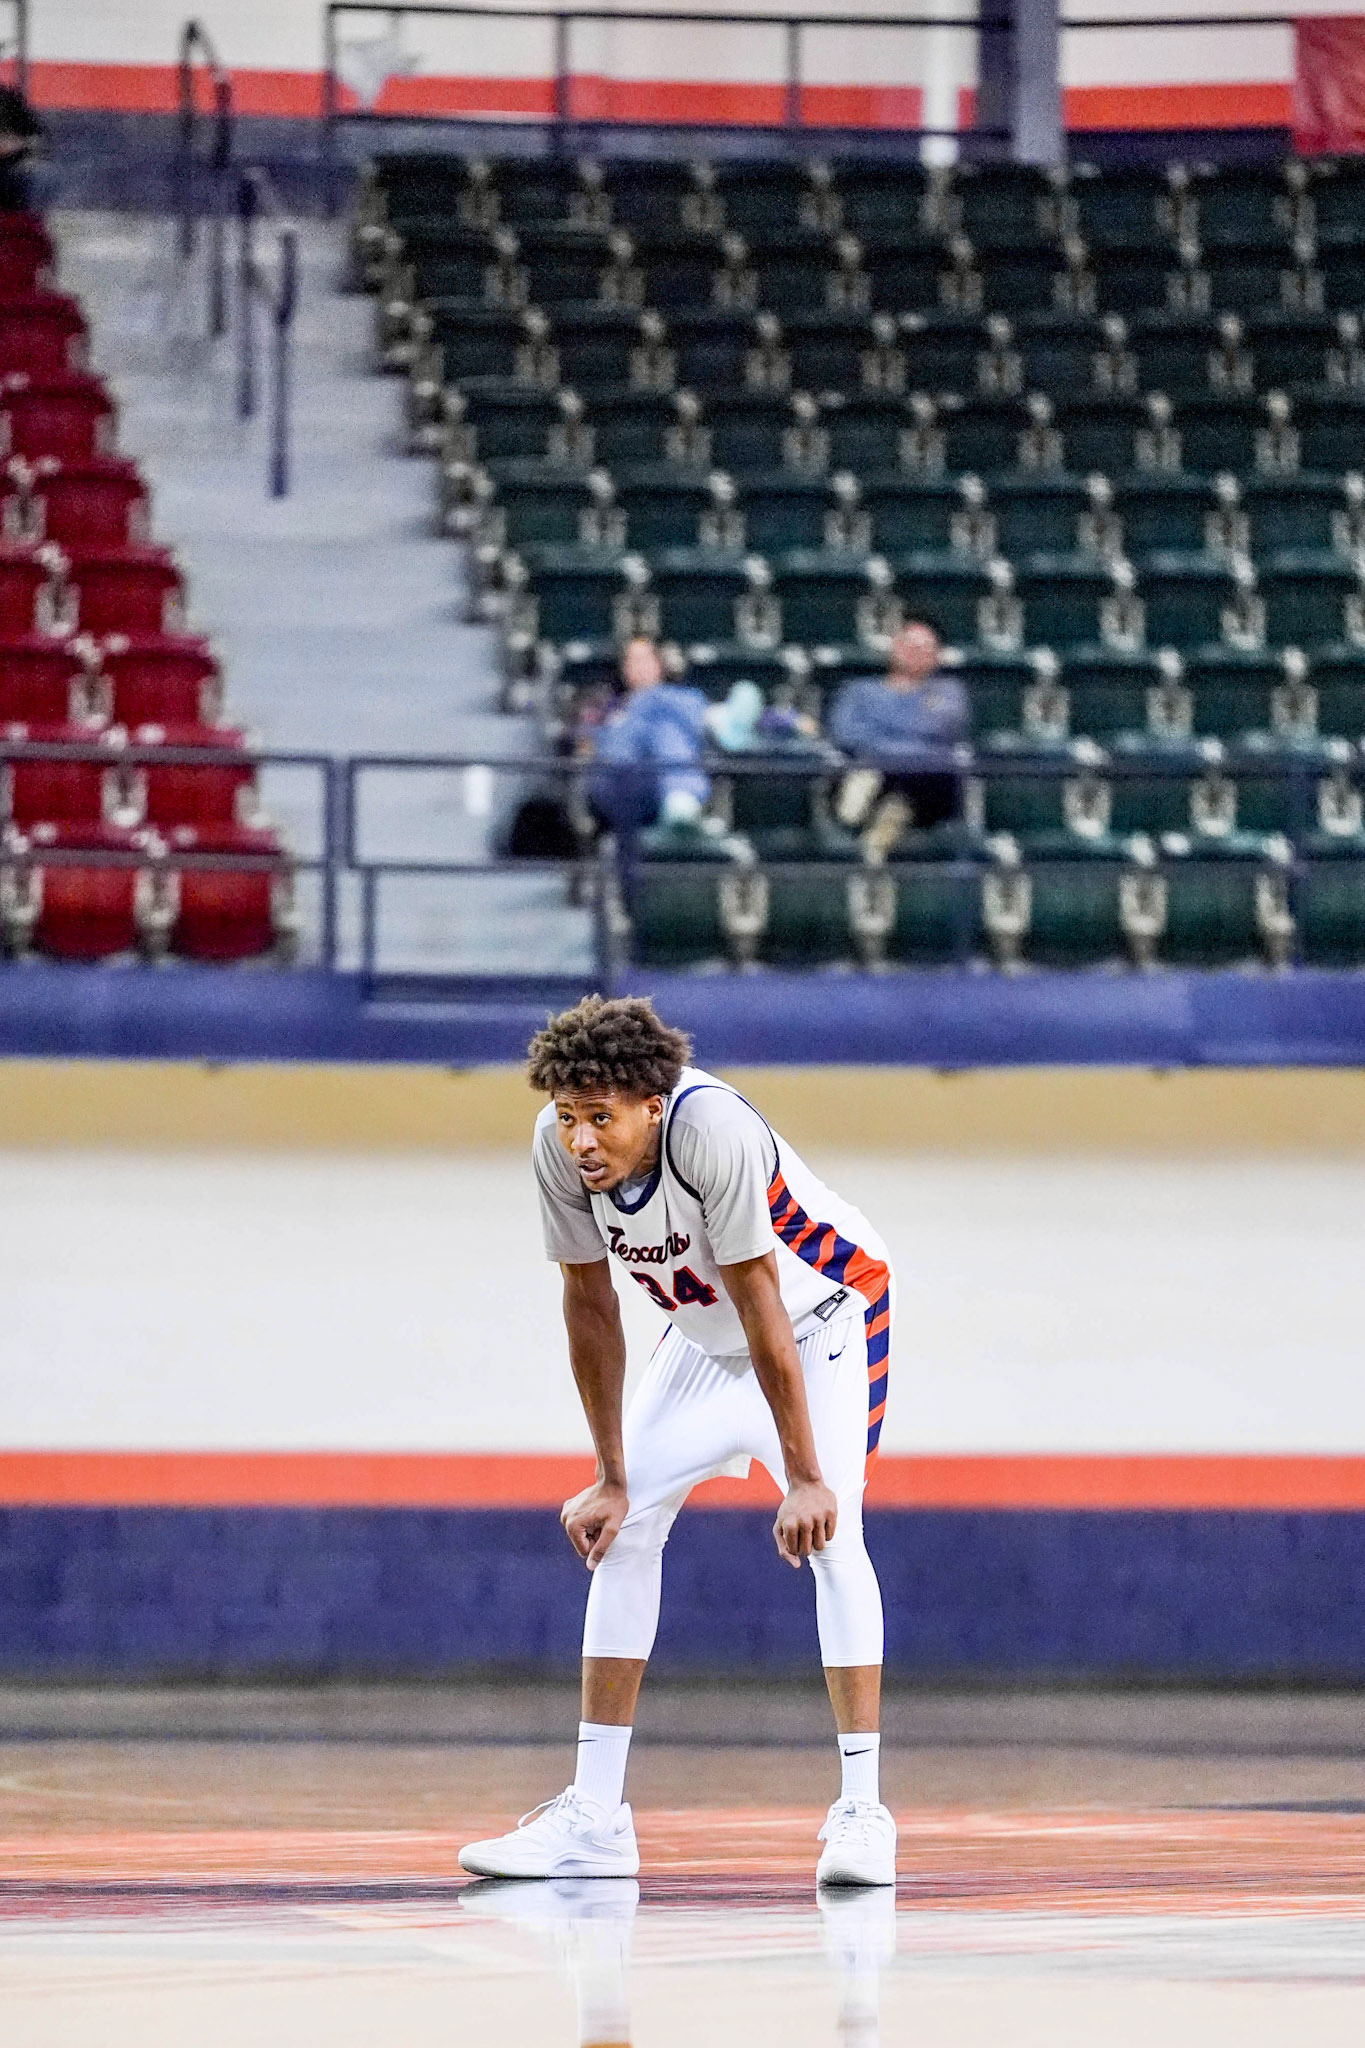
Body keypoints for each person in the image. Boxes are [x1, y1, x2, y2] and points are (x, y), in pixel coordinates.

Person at [459, 994, 896, 1888]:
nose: (580, 1139)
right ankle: (595, 1821)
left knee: (835, 1538)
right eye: (568, 1116)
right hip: (701, 1338)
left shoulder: (712, 1131)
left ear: (652, 1107)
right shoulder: (556, 1148)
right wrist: (610, 1475)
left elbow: (760, 1296)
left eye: (600, 1118)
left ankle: (862, 1812)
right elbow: (589, 1305)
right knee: (620, 1531)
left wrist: (804, 1476)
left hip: (817, 1322)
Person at [829, 620, 968, 851]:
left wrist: (879, 735)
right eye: (908, 644)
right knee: (865, 771)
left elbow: (937, 732)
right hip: (868, 769)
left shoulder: (949, 693)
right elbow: (846, 734)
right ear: (894, 647)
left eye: (924, 647)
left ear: (937, 656)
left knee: (917, 773)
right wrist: (905, 738)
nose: (915, 651)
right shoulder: (858, 690)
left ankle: (883, 823)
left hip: (925, 784)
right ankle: (868, 818)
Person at [585, 637, 709, 839]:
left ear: (660, 664)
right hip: (622, 785)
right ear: (623, 669)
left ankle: (679, 801)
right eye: (633, 661)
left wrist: (651, 699)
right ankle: (682, 798)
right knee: (650, 711)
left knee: (665, 722)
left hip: (661, 784)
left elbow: (697, 730)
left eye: (645, 659)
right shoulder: (609, 708)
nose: (639, 667)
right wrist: (639, 707)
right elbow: (608, 754)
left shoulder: (686, 699)